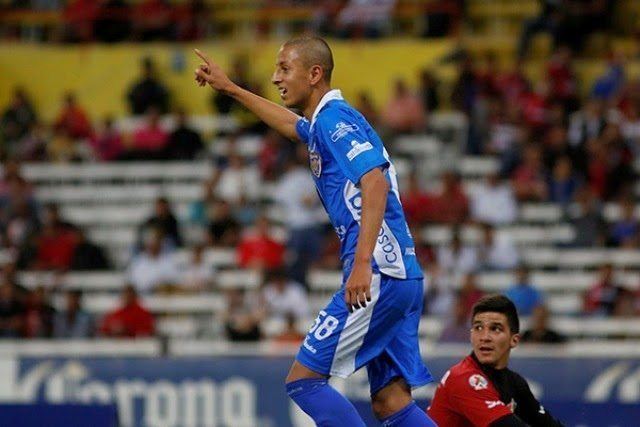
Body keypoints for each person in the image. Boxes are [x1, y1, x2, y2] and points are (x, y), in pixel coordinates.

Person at [195, 36, 435, 426]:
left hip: (377, 273)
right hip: (401, 274)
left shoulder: (333, 120)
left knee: (304, 381)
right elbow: (292, 126)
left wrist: (361, 265)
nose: (275, 77)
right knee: (391, 403)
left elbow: (374, 182)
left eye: (284, 68)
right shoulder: (327, 120)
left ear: (315, 73)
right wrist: (231, 89)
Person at [427, 295, 564, 426]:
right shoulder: (463, 378)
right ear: (471, 336)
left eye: (495, 329)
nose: (485, 337)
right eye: (478, 328)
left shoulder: (515, 383)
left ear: (514, 340)